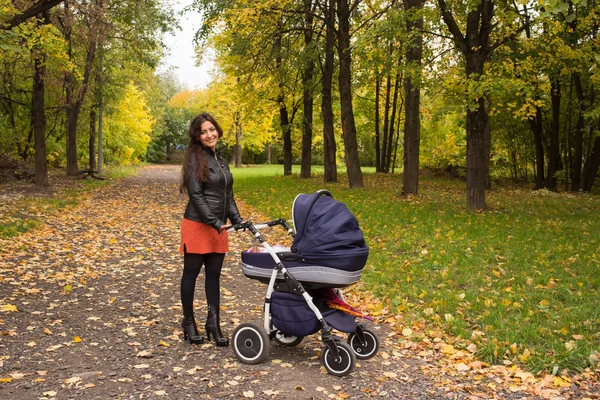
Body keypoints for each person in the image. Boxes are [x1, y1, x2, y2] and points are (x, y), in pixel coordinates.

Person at [179, 112, 243, 346]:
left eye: (212, 129)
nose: (209, 134)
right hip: (198, 223)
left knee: (213, 277)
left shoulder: (221, 160)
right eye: (203, 131)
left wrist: (235, 218)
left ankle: (213, 323)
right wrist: (214, 222)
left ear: (218, 129)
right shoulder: (196, 159)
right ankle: (188, 322)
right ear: (197, 137)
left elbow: (228, 194)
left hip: (218, 226)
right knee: (191, 275)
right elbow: (195, 195)